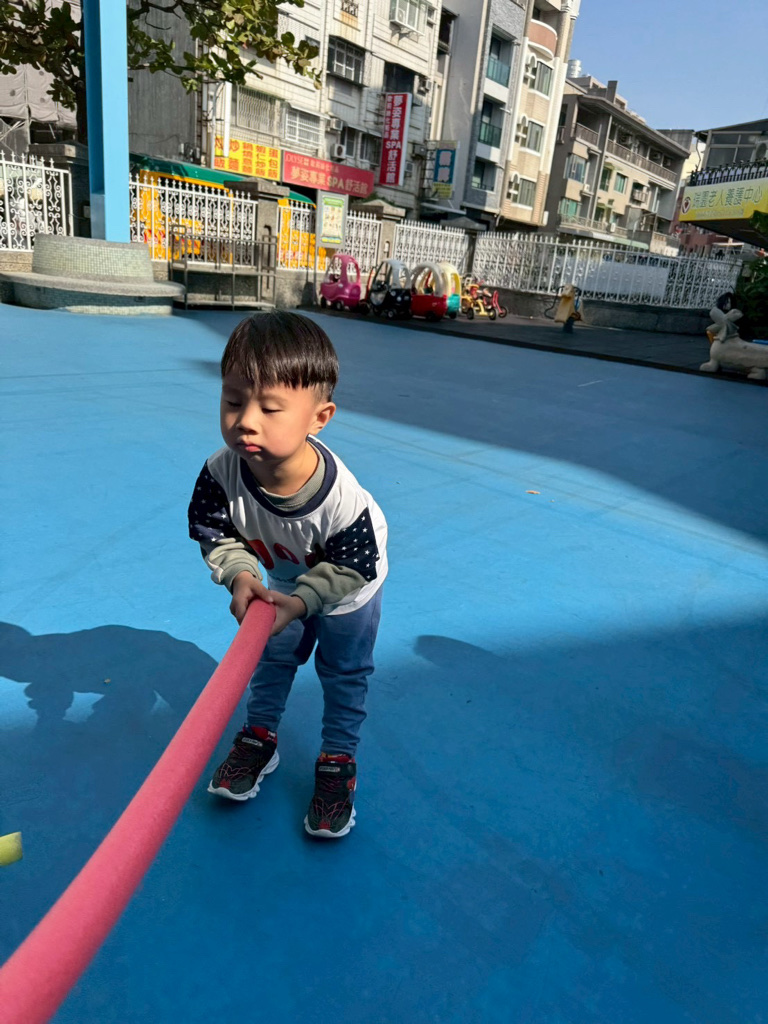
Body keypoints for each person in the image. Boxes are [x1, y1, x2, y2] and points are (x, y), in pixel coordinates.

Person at [188, 311, 387, 839]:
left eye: (270, 408)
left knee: (343, 671)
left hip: (347, 589)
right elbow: (213, 529)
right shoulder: (220, 472)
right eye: (233, 401)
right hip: (282, 578)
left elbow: (353, 565)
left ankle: (338, 761)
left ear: (319, 418)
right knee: (272, 657)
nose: (245, 420)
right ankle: (259, 737)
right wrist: (239, 575)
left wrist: (300, 603)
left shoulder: (341, 501)